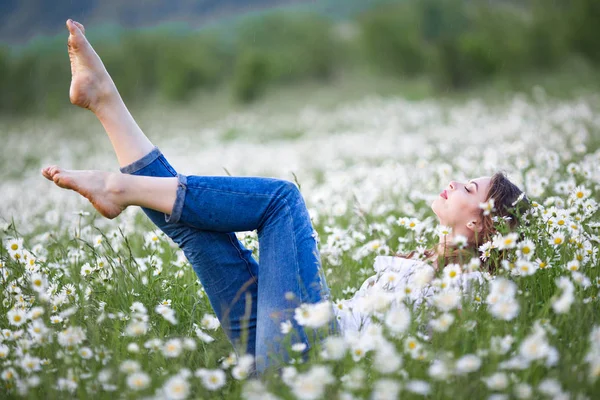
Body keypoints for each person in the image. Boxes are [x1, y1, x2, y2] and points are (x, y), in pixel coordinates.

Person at [42, 20, 528, 374]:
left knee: (282, 202)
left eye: (471, 189)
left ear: (484, 226)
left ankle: (119, 185)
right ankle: (105, 101)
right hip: (287, 348)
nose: (457, 182)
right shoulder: (427, 260)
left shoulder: (473, 294)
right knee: (199, 231)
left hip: (314, 359)